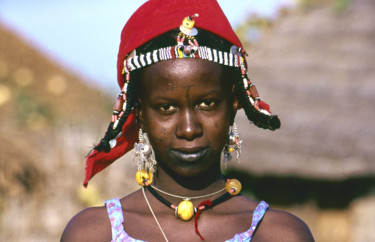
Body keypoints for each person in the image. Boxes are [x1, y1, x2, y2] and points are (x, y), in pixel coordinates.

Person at [61, 0, 314, 241]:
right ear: (139, 112)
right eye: (166, 107)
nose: (189, 129)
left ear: (234, 103)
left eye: (207, 104)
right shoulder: (93, 234)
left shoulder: (278, 235)